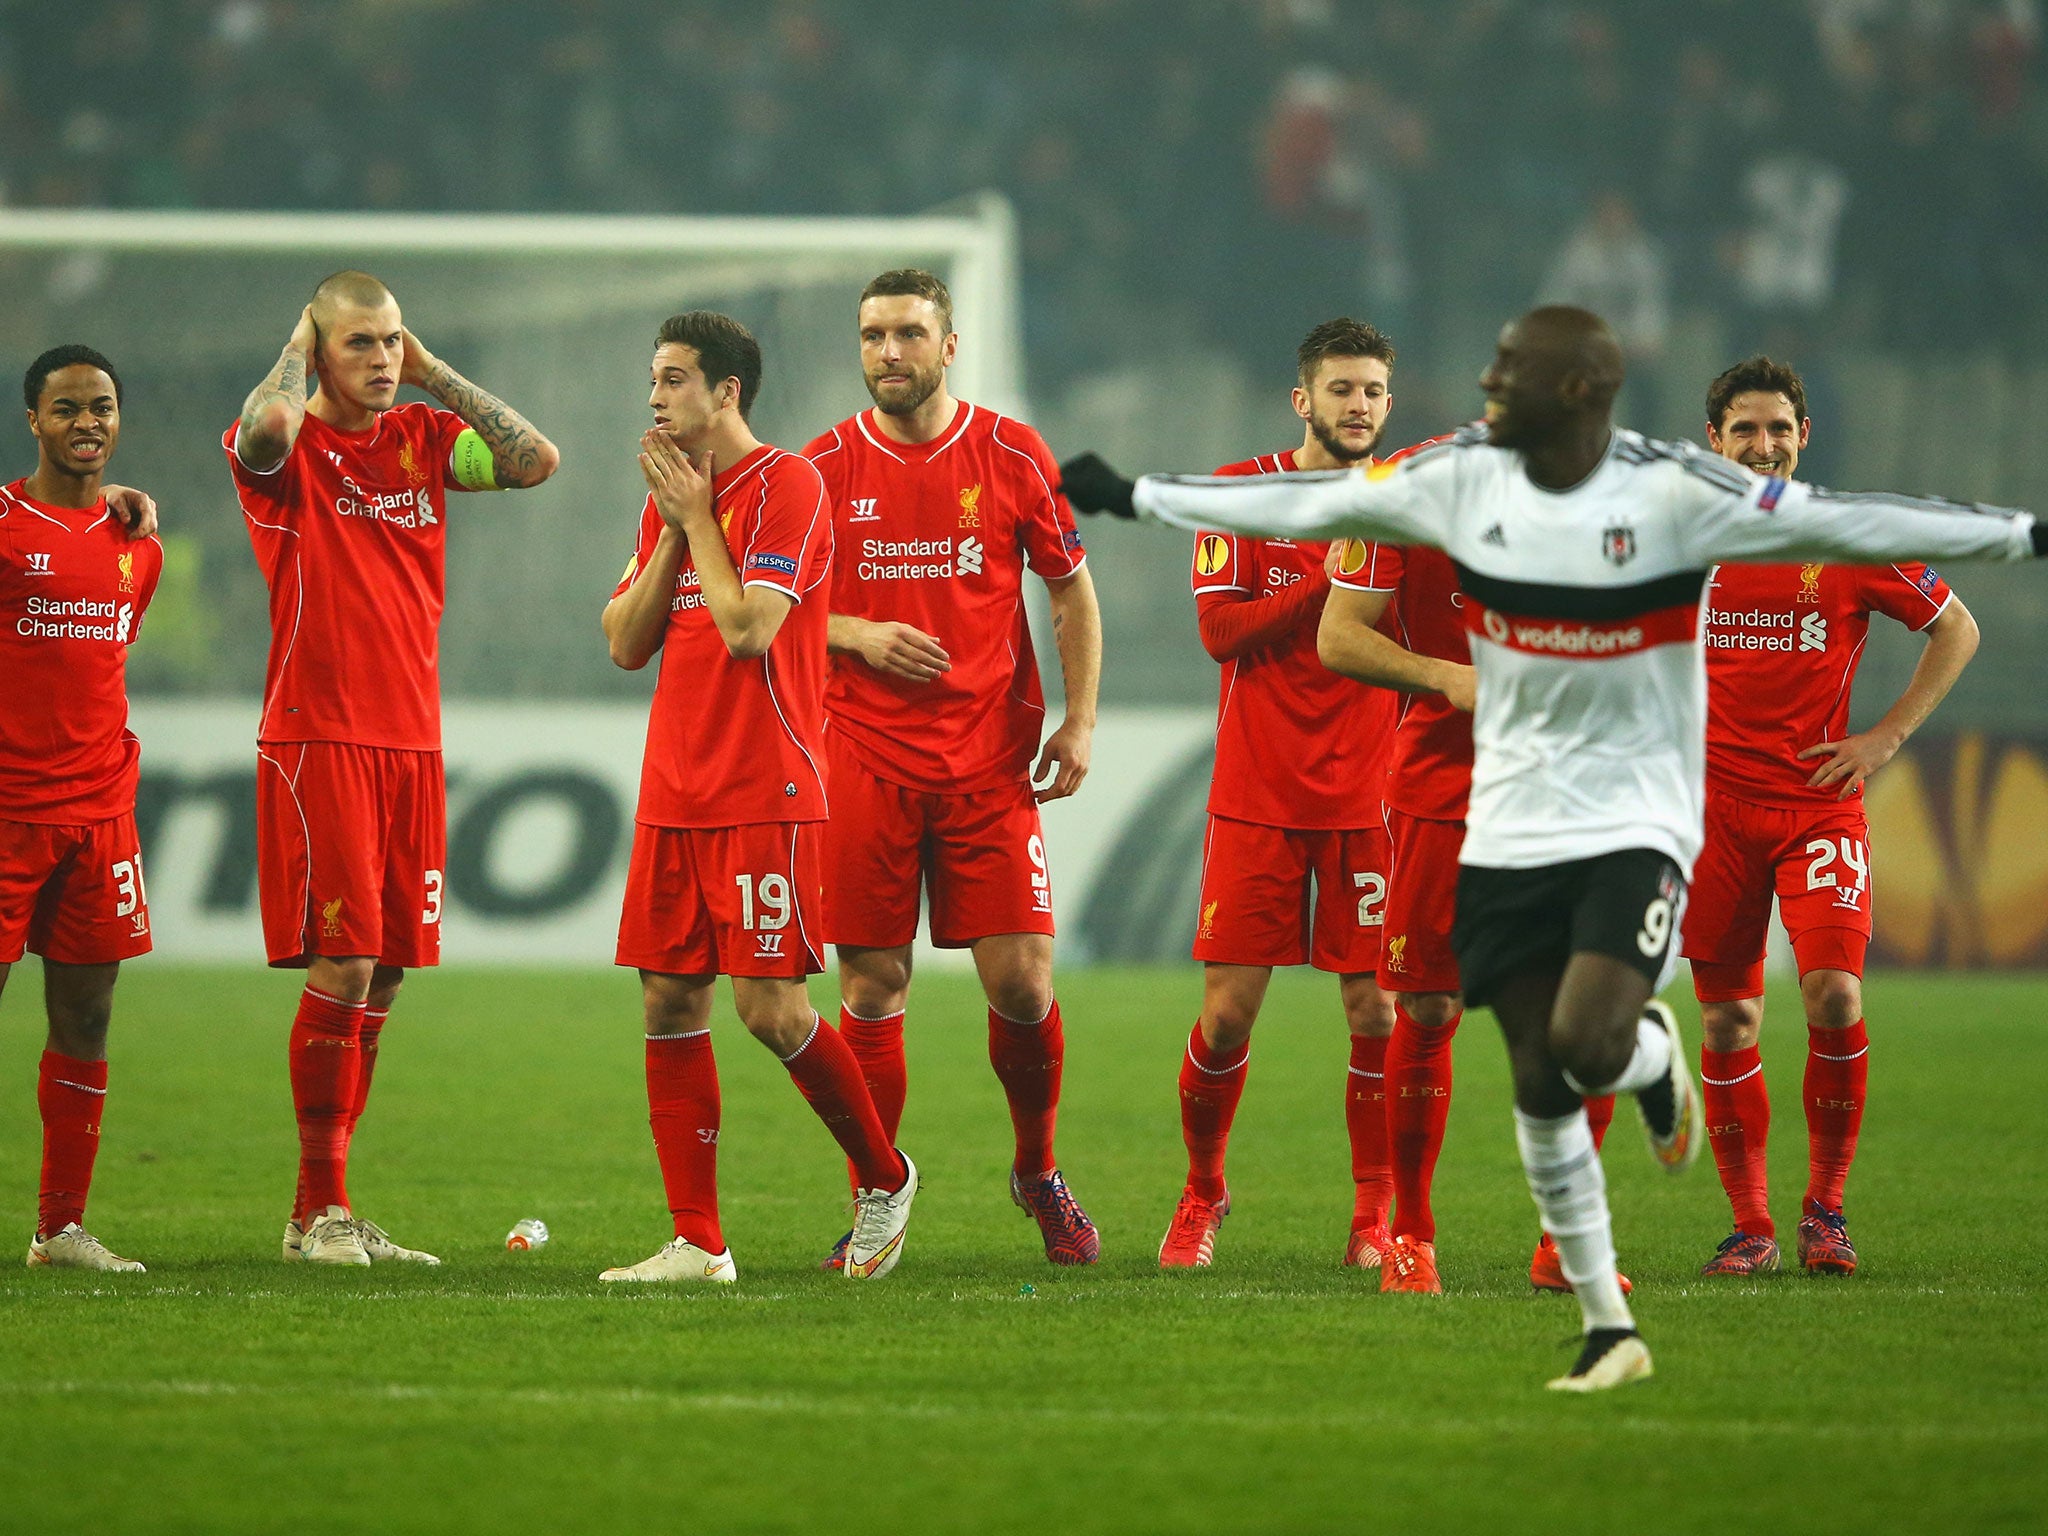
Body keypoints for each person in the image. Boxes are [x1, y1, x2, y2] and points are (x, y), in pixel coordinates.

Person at [1057, 305, 2041, 1391]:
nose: (1507, 395)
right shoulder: (1434, 483)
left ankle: (1615, 1157)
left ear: (1587, 395)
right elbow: (1318, 559)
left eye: (1536, 380)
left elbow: (1853, 525)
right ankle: (1474, 1259)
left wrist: (2016, 535)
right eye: (1501, 379)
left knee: (1576, 1031)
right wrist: (1140, 497)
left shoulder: (1661, 484)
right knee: (1457, 1021)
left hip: (1606, 795)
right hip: (1457, 788)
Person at [225, 271, 560, 1266]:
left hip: (412, 740)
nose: (380, 360)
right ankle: (323, 1208)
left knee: (389, 974)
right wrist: (296, 341)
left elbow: (534, 459)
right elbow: (263, 437)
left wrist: (432, 372)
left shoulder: (419, 441)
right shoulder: (286, 444)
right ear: (318, 350)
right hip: (319, 733)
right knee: (347, 961)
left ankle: (312, 1215)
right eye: (359, 343)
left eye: (391, 343)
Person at [600, 312, 916, 1284]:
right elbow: (622, 639)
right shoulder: (671, 500)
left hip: (763, 784)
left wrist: (696, 520)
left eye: (674, 379)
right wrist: (670, 528)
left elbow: (748, 629)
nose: (655, 396)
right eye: (652, 378)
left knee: (771, 1010)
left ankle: (884, 1176)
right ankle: (697, 1241)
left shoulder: (789, 485)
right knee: (666, 1001)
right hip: (674, 784)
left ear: (726, 391)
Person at [802, 269, 1103, 1266]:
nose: (888, 351)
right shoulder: (820, 469)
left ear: (948, 344)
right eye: (873, 335)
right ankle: (875, 1192)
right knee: (871, 985)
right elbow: (774, 612)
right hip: (862, 760)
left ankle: (1035, 1170)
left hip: (986, 767)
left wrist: (1079, 721)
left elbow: (1069, 594)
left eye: (907, 333)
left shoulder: (1011, 452)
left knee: (1020, 985)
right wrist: (857, 631)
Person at [1687, 356, 1978, 1278]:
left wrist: (1887, 737)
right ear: (1715, 442)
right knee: (1729, 1018)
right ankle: (1752, 1226)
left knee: (1836, 995)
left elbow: (1957, 628)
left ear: (1803, 437)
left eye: (1779, 428)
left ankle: (1827, 1211)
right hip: (1712, 813)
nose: (1764, 445)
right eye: (1746, 429)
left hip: (1818, 807)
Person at [1319, 504, 1631, 1299]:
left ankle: (1565, 1244)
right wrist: (1441, 675)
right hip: (1441, 795)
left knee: (1587, 1019)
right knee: (1426, 1008)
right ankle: (1411, 1238)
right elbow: (1338, 634)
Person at [1165, 317, 1404, 1271]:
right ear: (1302, 400)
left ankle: (1372, 1216)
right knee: (1228, 1013)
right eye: (1341, 390)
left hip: (1370, 799)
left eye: (1373, 392)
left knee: (1377, 1012)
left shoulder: (1404, 508)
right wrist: (1330, 581)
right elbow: (1221, 636)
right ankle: (1202, 1191)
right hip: (1257, 794)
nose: (1358, 407)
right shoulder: (1238, 496)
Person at [4, 345, 162, 1272]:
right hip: (5, 808)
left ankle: (59, 1229)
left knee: (88, 1017)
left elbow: (104, 659)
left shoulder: (135, 542)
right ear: (33, 420)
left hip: (99, 814)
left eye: (100, 406)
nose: (86, 423)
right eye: (66, 408)